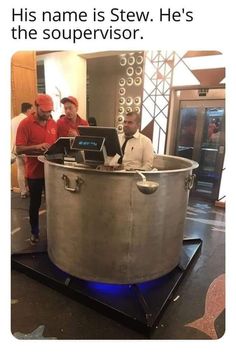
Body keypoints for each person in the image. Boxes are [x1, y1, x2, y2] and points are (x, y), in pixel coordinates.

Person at [16, 94, 57, 245]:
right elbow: (19, 149)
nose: (47, 114)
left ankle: (55, 232)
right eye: (44, 111)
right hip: (34, 172)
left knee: (54, 203)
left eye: (49, 111)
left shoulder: (53, 123)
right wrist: (37, 146)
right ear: (36, 107)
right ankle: (34, 232)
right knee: (35, 203)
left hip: (52, 171)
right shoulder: (25, 124)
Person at [11, 102, 33, 198]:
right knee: (30, 169)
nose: (32, 112)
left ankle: (23, 192)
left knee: (20, 169)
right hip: (25, 147)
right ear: (28, 109)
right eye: (31, 109)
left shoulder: (13, 120)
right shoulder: (27, 120)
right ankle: (31, 190)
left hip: (16, 148)